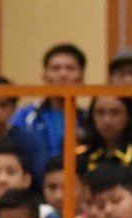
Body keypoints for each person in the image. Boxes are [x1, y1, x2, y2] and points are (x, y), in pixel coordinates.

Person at [10, 43, 87, 183]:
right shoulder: (25, 117)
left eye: (70, 68)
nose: (63, 74)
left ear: (81, 78)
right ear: (44, 77)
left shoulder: (90, 119)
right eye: (55, 68)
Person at [75, 95, 132, 174]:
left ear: (129, 116)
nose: (107, 121)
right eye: (100, 112)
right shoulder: (82, 158)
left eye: (115, 112)